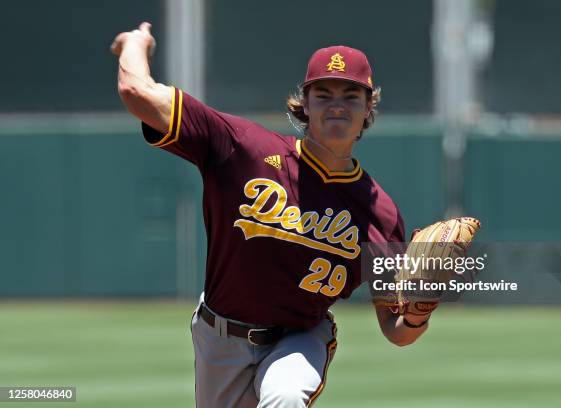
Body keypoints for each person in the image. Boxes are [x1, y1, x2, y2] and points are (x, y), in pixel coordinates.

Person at [111, 22, 436, 408]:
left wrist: (417, 314)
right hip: (219, 338)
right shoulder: (243, 148)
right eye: (324, 93)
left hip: (299, 338)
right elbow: (136, 92)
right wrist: (135, 44)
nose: (337, 104)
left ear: (368, 108)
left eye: (351, 95)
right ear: (305, 103)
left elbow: (395, 330)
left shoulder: (379, 213)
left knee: (284, 397)